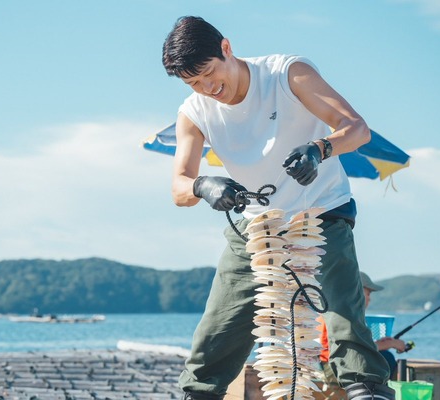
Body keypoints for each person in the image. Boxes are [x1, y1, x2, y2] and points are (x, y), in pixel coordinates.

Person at [161, 16, 394, 400]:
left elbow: (356, 128)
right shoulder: (193, 111)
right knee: (217, 330)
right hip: (256, 225)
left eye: (207, 74)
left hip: (321, 211)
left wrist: (320, 149)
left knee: (343, 316)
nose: (207, 88)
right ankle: (198, 393)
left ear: (226, 48)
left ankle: (367, 388)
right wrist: (203, 185)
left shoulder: (288, 74)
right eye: (193, 83)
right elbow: (178, 188)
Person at [319, 272, 407, 396]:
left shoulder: (337, 308)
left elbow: (352, 345)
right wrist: (391, 343)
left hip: (333, 362)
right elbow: (355, 349)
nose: (370, 298)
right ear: (357, 291)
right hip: (333, 367)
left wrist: (381, 343)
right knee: (386, 359)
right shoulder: (345, 314)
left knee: (384, 356)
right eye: (368, 293)